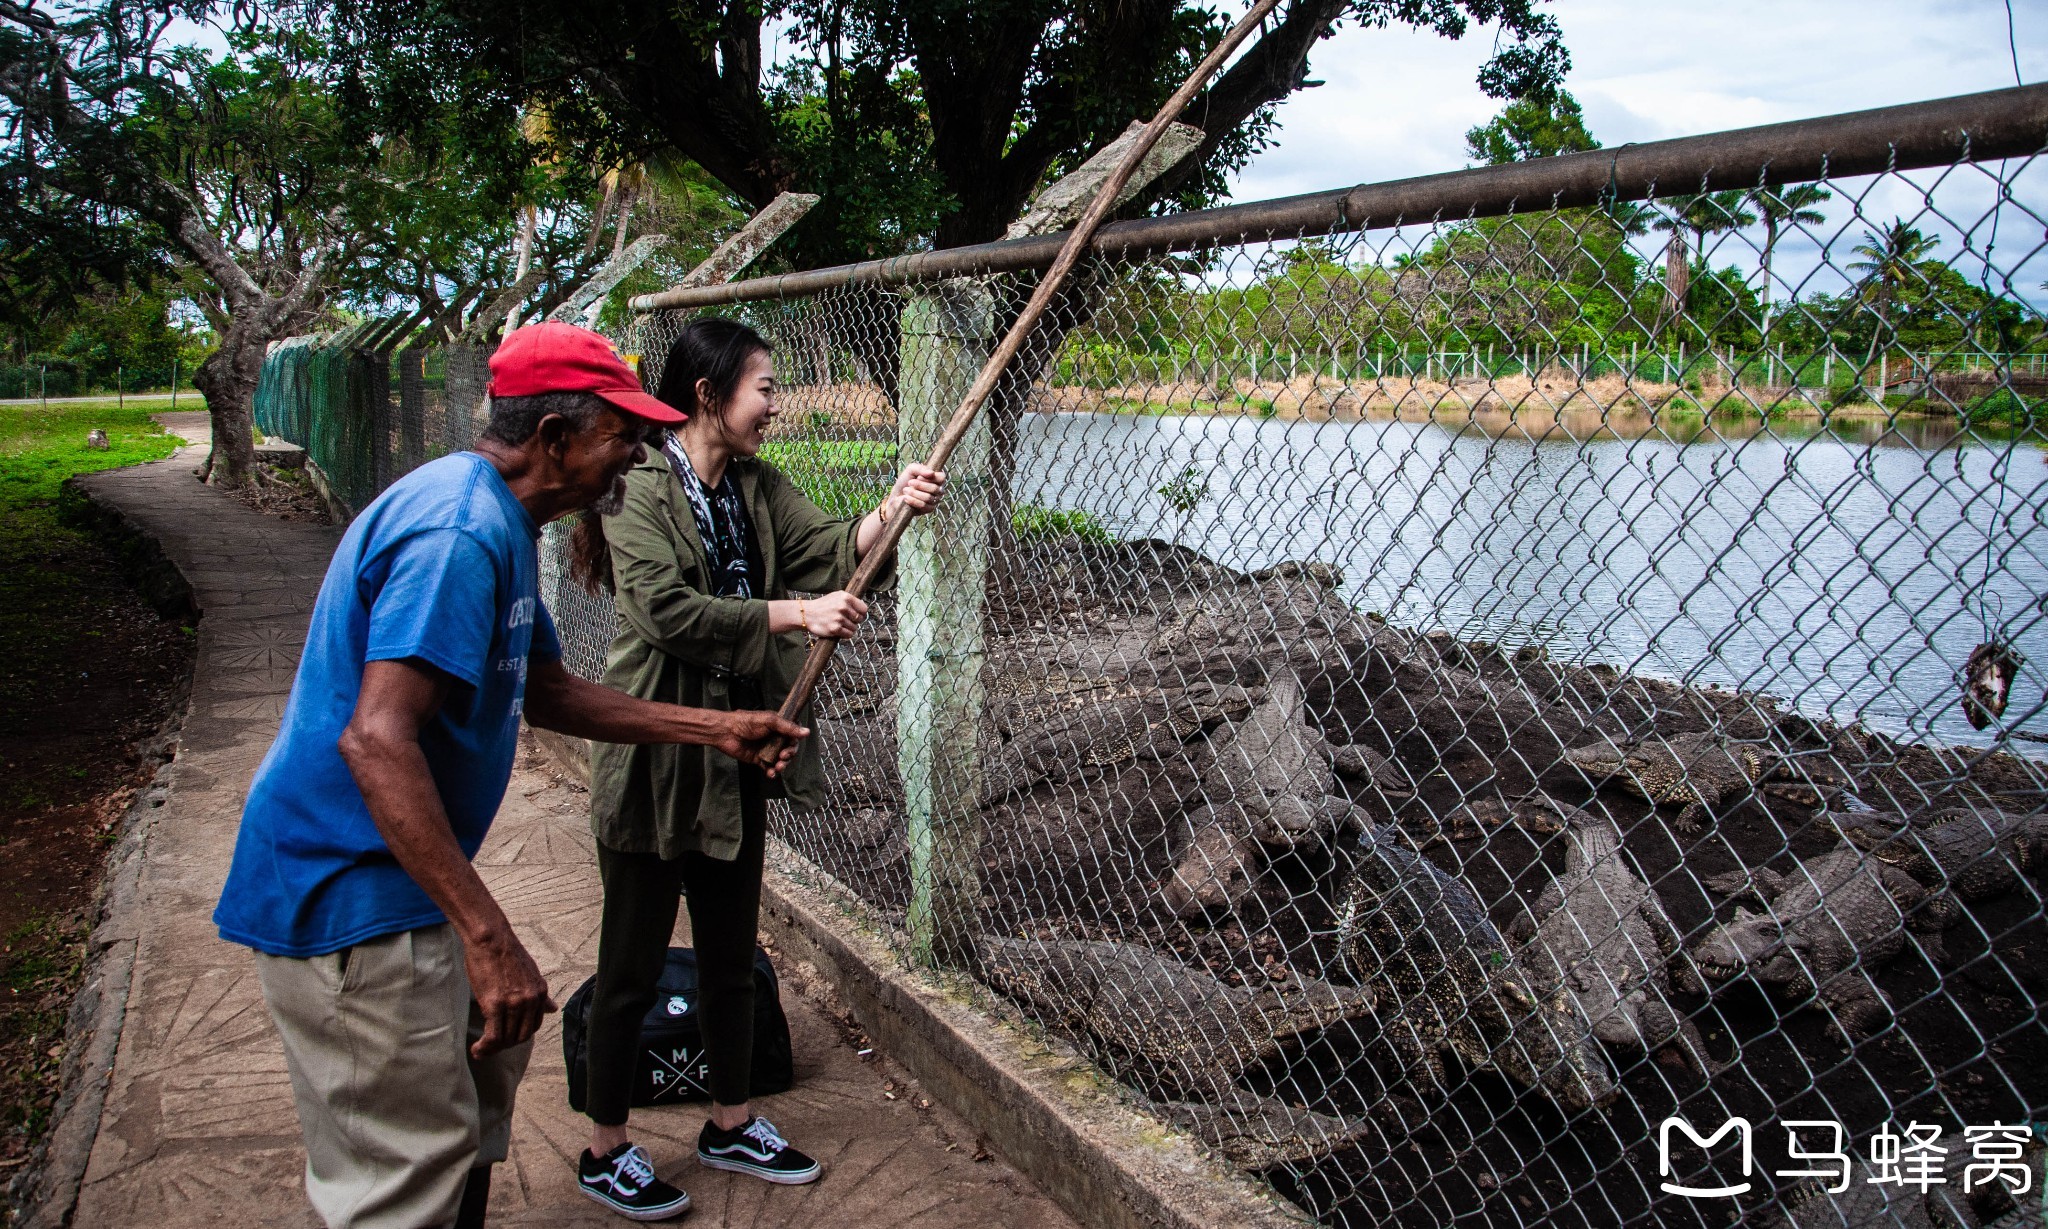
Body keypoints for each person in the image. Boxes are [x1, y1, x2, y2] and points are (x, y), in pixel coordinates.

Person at [212, 322, 810, 1229]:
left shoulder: (499, 519)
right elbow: (375, 742)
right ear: (556, 438)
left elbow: (548, 691)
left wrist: (717, 728)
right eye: (621, 435)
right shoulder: (457, 533)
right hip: (348, 902)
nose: (637, 456)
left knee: (468, 1121)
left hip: (404, 892)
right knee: (403, 1180)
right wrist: (488, 935)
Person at [565, 317, 943, 1220]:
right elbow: (665, 610)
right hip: (658, 753)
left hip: (739, 749)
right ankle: (603, 1145)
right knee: (631, 964)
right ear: (709, 395)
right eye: (764, 387)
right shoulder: (638, 488)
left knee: (733, 959)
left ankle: (730, 1121)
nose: (775, 404)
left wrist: (892, 509)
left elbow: (835, 549)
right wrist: (794, 616)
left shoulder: (757, 485)